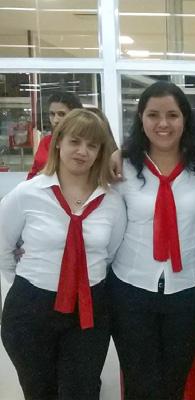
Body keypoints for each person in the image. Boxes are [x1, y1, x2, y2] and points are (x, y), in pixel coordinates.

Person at [0, 109, 124, 400]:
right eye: (75, 141)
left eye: (92, 145)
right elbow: (3, 245)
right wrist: (28, 281)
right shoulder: (27, 193)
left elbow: (109, 254)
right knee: (39, 392)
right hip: (31, 308)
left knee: (81, 391)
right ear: (58, 142)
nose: (82, 151)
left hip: (88, 309)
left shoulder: (112, 202)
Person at [107, 80, 195, 400]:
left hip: (190, 291)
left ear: (185, 119)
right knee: (139, 383)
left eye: (172, 115)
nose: (163, 123)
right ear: (141, 118)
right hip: (130, 290)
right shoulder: (122, 168)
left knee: (174, 383)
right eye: (153, 114)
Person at [27, 91, 83, 180]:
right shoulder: (46, 142)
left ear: (76, 116)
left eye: (62, 114)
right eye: (52, 114)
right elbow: (32, 176)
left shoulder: (85, 144)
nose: (56, 120)